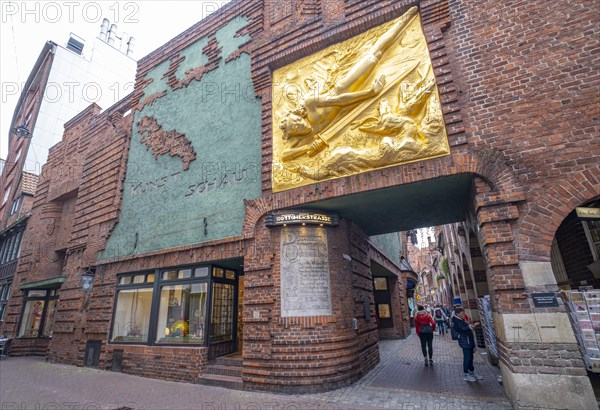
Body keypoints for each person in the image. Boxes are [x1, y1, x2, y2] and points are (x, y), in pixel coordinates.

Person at [278, 7, 419, 161]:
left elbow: (339, 100)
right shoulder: (303, 135)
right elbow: (284, 156)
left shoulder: (309, 103)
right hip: (349, 110)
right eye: (296, 127)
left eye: (298, 120)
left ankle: (403, 20)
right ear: (293, 133)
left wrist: (370, 93)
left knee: (374, 55)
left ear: (299, 115)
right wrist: (307, 148)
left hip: (345, 89)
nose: (300, 124)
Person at [452, 307, 483, 382]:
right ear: (457, 314)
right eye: (462, 313)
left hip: (468, 340)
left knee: (470, 357)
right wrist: (472, 325)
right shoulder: (456, 320)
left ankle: (472, 372)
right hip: (465, 341)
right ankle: (466, 374)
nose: (463, 315)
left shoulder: (460, 319)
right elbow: (463, 328)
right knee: (467, 357)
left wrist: (468, 324)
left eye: (464, 313)